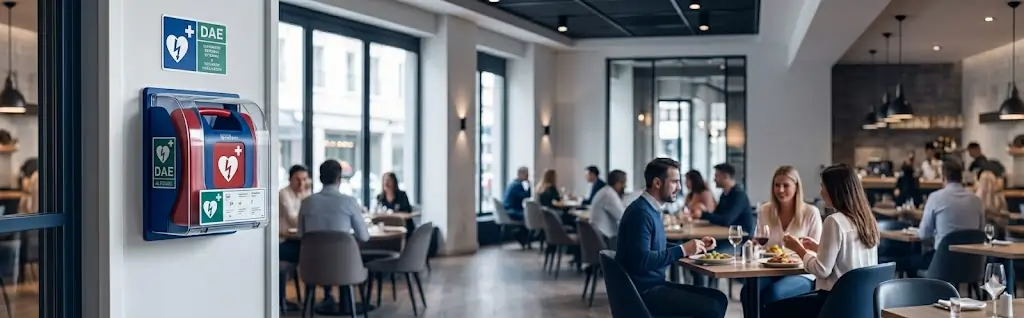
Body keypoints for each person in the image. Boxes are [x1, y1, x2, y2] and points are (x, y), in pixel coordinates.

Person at [763, 164, 879, 318]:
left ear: (834, 190)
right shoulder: (867, 221)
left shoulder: (834, 221)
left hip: (834, 303)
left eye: (823, 186)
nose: (821, 192)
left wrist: (799, 249)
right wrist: (819, 248)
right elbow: (848, 257)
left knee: (772, 309)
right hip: (862, 304)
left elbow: (821, 270)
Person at [616, 158, 728, 318]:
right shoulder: (641, 213)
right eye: (675, 182)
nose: (680, 187)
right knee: (713, 306)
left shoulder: (650, 209)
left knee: (719, 298)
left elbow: (654, 247)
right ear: (657, 183)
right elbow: (642, 260)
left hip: (651, 286)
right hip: (642, 293)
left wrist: (693, 247)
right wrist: (683, 249)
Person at [741, 166, 821, 312]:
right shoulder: (766, 210)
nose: (781, 190)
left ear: (796, 187)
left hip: (801, 273)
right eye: (777, 185)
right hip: (769, 270)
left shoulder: (811, 213)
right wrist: (754, 245)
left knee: (774, 294)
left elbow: (817, 252)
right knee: (747, 292)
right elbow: (759, 242)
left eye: (786, 185)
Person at [299, 160, 371, 310]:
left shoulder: (306, 203)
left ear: (319, 178)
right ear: (339, 179)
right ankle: (346, 303)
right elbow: (364, 236)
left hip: (313, 268)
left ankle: (327, 297)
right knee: (345, 253)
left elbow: (301, 234)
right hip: (346, 269)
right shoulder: (349, 202)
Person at [899, 163, 984, 277]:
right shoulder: (976, 200)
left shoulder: (935, 198)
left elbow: (924, 235)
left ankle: (918, 293)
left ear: (943, 177)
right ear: (961, 177)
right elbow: (981, 232)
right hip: (973, 265)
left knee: (908, 262)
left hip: (942, 262)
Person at [692, 163, 754, 238]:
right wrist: (704, 212)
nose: (714, 179)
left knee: (706, 246)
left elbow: (726, 220)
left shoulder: (739, 195)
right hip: (726, 235)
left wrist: (703, 214)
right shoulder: (724, 194)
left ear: (725, 176)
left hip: (739, 239)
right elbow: (717, 215)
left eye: (717, 176)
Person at [279, 165, 310, 263]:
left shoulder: (304, 194)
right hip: (283, 241)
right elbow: (294, 221)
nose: (301, 183)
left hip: (296, 239)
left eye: (304, 179)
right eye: (297, 180)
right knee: (310, 252)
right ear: (290, 179)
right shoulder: (283, 194)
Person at [589, 169, 627, 247]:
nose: (625, 186)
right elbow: (623, 216)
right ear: (617, 183)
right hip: (605, 238)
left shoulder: (605, 191)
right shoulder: (609, 195)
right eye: (623, 183)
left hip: (598, 236)